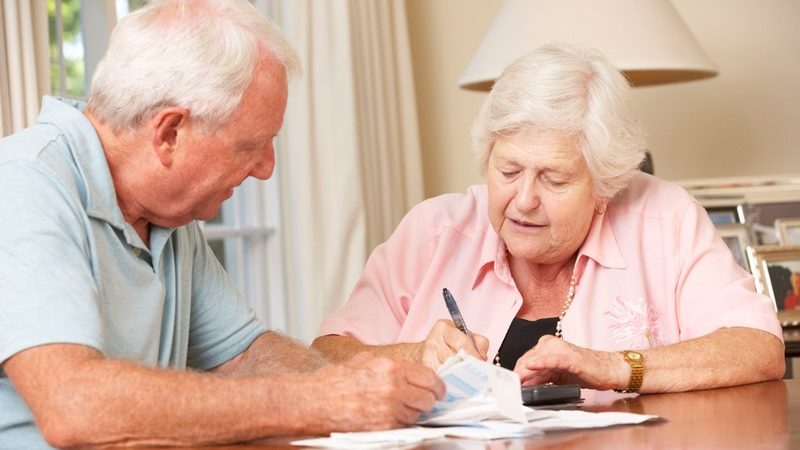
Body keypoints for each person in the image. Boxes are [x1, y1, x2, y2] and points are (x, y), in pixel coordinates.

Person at [0, 1, 444, 448]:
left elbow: (245, 354)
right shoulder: (23, 186)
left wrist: (363, 388)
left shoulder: (166, 216)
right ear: (169, 133)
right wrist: (318, 397)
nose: (266, 168)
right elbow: (75, 407)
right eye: (251, 145)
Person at [313, 44, 785, 394]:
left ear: (604, 187)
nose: (523, 201)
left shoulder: (665, 222)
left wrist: (616, 366)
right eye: (508, 170)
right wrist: (411, 354)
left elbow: (758, 347)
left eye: (554, 180)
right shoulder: (433, 232)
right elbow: (326, 354)